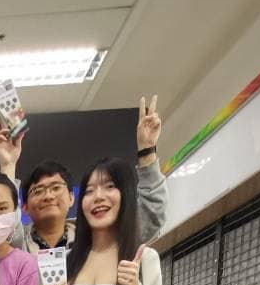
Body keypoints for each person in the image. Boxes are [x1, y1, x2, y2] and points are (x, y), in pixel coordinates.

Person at [16, 96, 170, 253]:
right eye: (38, 191)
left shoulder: (97, 237)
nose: (48, 196)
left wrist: (147, 150)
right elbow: (9, 228)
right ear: (25, 206)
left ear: (71, 197)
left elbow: (150, 217)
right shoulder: (16, 248)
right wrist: (8, 164)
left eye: (56, 188)